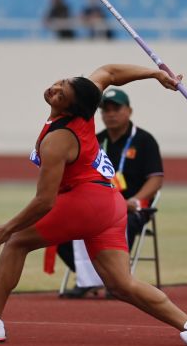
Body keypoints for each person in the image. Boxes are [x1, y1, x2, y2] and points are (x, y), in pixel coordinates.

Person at [0, 64, 187, 346]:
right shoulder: (86, 95)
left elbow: (44, 201)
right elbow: (110, 72)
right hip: (110, 204)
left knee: (16, 242)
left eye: (61, 95)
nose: (54, 90)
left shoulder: (57, 141)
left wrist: (10, 227)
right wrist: (155, 74)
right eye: (60, 83)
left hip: (86, 202)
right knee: (120, 285)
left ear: (71, 108)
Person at [57, 87, 164, 298]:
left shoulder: (144, 141)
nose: (111, 114)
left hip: (133, 207)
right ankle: (92, 281)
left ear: (129, 111)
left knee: (123, 223)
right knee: (60, 232)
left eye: (116, 108)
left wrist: (135, 200)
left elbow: (156, 179)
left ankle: (117, 282)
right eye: (105, 110)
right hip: (97, 205)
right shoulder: (94, 141)